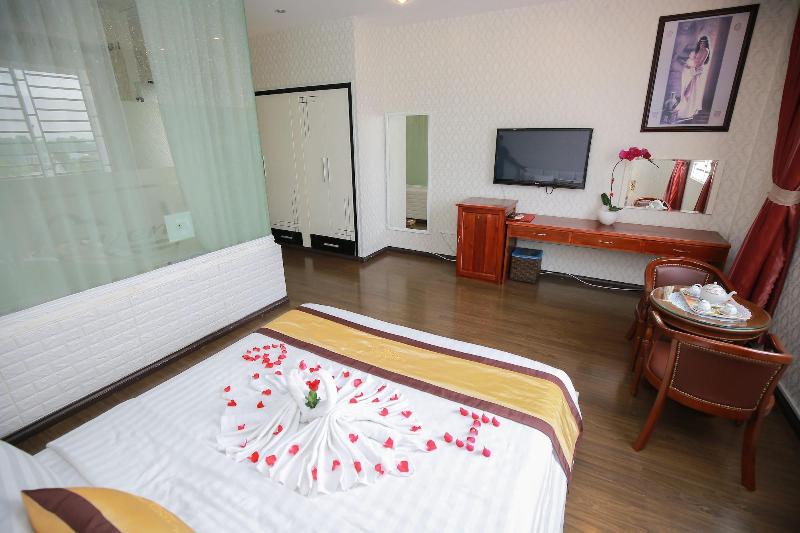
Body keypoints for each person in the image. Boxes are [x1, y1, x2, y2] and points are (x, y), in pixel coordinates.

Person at [675, 36, 711, 121]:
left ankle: (687, 111)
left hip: (696, 71)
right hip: (690, 69)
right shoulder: (698, 50)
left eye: (704, 43)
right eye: (701, 42)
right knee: (685, 89)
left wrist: (691, 66)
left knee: (690, 91)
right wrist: (688, 64)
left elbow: (700, 63)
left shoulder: (706, 50)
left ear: (706, 43)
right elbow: (694, 59)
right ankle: (683, 109)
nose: (702, 44)